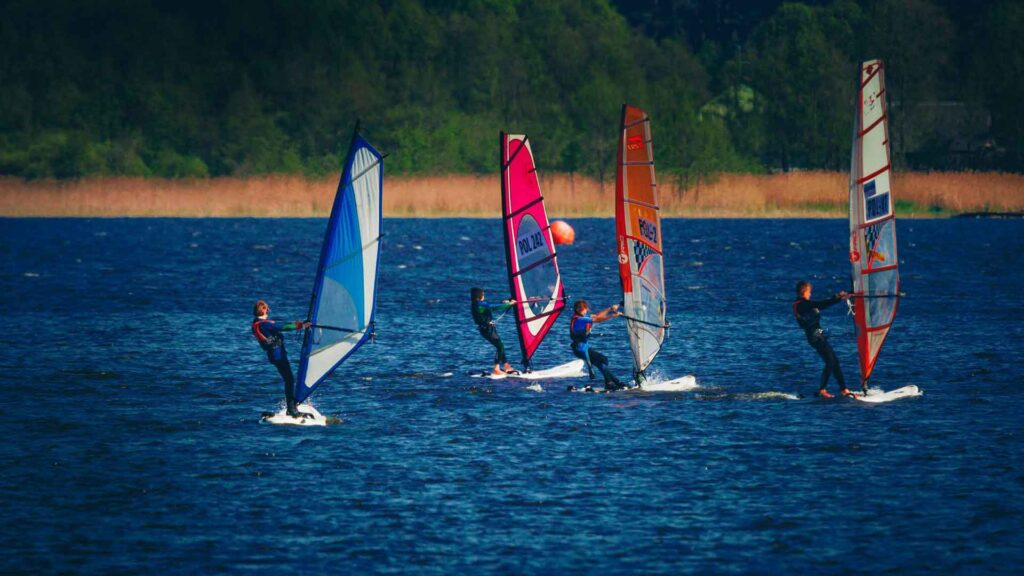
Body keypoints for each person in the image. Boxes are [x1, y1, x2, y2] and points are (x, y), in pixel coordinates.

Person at [792, 281, 857, 398]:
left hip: (818, 334)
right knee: (830, 361)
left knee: (835, 361)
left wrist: (837, 297)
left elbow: (820, 304)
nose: (810, 294)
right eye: (809, 292)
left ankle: (844, 389)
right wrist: (837, 298)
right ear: (804, 291)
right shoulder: (802, 304)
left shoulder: (805, 304)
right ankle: (822, 389)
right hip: (815, 336)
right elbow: (822, 304)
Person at [251, 300, 311, 417]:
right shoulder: (264, 324)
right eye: (267, 308)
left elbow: (277, 325)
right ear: (263, 310)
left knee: (289, 379)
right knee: (289, 380)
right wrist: (301, 325)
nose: (268, 310)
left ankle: (292, 406)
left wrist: (298, 323)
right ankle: (291, 409)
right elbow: (282, 326)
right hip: (278, 355)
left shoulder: (257, 323)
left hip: (274, 355)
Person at [568, 300, 626, 391]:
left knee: (600, 362)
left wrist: (610, 308)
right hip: (580, 349)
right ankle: (612, 382)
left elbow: (597, 315)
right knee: (603, 360)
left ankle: (612, 382)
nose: (586, 310)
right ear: (579, 309)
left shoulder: (581, 318)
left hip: (582, 349)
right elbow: (597, 319)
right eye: (585, 308)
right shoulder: (580, 320)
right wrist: (612, 315)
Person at [470, 288, 515, 376]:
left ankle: (506, 366)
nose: (484, 295)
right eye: (483, 294)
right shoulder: (480, 305)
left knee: (500, 345)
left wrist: (504, 302)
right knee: (500, 346)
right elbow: (493, 307)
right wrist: (509, 304)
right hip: (487, 329)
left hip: (486, 329)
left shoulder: (475, 304)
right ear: (480, 295)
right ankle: (496, 368)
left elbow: (489, 305)